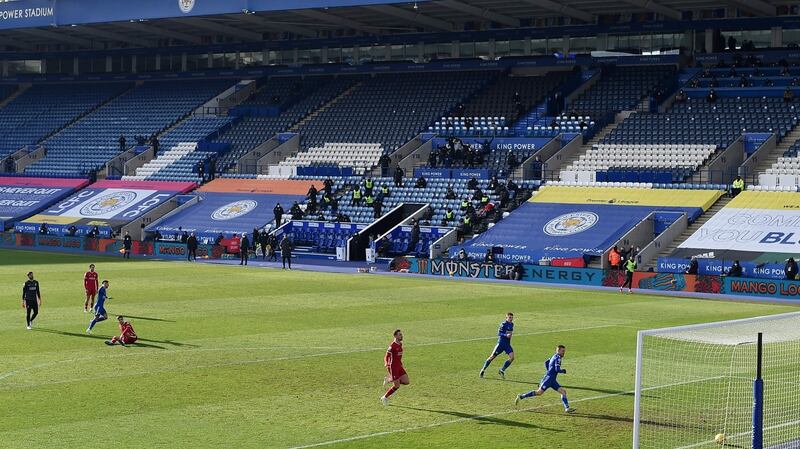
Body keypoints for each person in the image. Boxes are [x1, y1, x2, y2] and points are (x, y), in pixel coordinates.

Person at [515, 345, 575, 413]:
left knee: (563, 392)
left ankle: (567, 408)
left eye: (564, 351)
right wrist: (563, 371)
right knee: (539, 392)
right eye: (562, 351)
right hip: (549, 379)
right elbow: (557, 369)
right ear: (558, 351)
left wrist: (549, 371)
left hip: (552, 379)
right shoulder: (558, 358)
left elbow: (546, 362)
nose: (564, 352)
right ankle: (521, 396)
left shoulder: (554, 356)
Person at [479, 313, 515, 378]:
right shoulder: (503, 324)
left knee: (512, 358)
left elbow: (510, 333)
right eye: (509, 317)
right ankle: (483, 370)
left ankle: (502, 370)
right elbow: (499, 333)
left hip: (507, 345)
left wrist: (509, 336)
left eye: (511, 317)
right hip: (500, 344)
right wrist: (505, 335)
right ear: (506, 318)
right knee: (492, 357)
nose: (511, 319)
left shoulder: (512, 324)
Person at [381, 329, 409, 405]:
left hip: (399, 366)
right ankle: (385, 397)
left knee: (406, 381)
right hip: (393, 367)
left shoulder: (400, 344)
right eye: (400, 335)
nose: (401, 336)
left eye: (401, 334)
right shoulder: (392, 346)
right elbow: (387, 355)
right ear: (395, 336)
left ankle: (389, 379)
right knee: (397, 386)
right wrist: (386, 363)